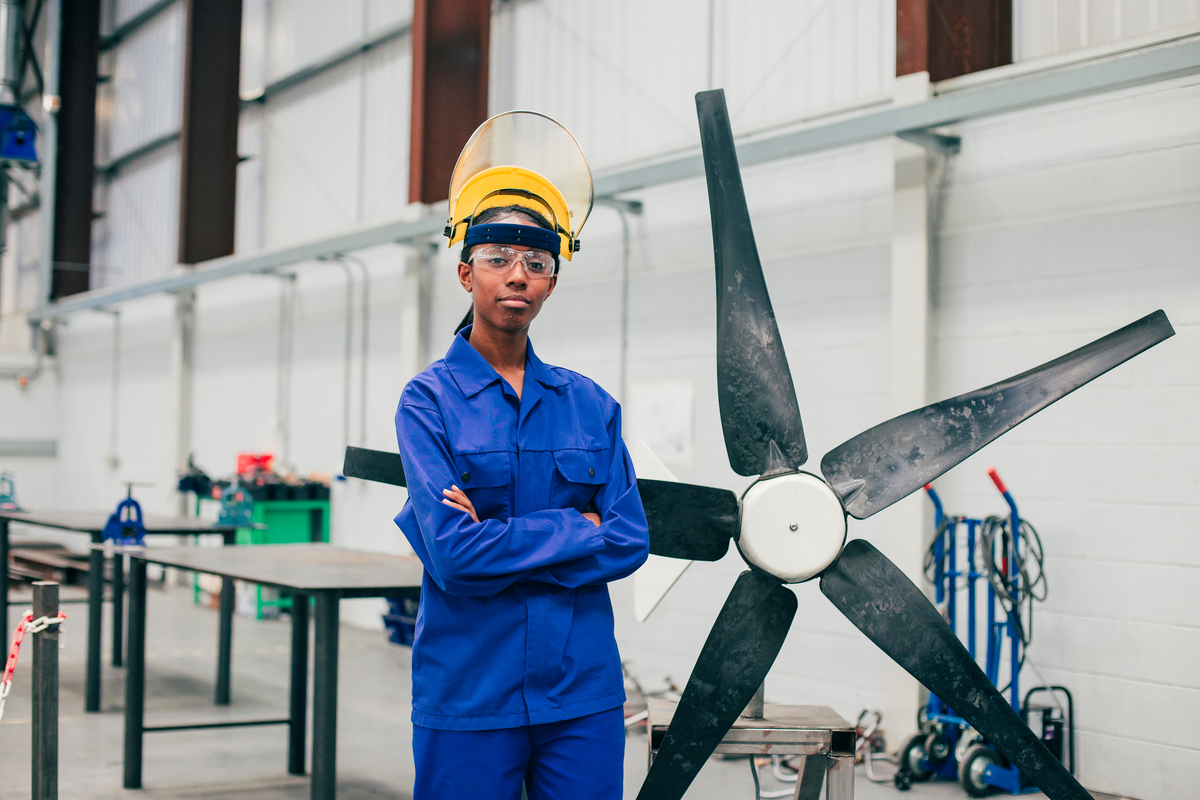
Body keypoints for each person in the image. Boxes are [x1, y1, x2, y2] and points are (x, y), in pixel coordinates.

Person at [393, 112, 650, 800]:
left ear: (552, 283)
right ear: (465, 271)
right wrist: (574, 529)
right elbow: (453, 555)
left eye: (537, 263)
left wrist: (497, 541)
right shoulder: (428, 403)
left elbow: (628, 541)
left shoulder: (590, 404)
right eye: (498, 259)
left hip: (582, 696)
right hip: (470, 692)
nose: (518, 276)